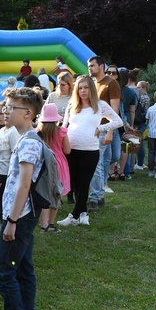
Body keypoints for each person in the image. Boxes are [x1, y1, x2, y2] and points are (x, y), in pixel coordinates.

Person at [0, 86, 42, 310]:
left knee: (2, 270)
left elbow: (24, 185)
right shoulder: (24, 138)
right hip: (21, 214)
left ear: (28, 113)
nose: (6, 111)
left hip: (20, 216)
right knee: (22, 268)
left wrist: (11, 221)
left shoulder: (30, 142)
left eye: (12, 107)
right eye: (6, 106)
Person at [58, 75, 122, 226]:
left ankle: (73, 216)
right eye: (80, 88)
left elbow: (117, 121)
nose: (83, 91)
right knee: (75, 183)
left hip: (90, 150)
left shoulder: (100, 105)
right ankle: (83, 214)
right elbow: (64, 126)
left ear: (91, 89)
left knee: (84, 182)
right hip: (71, 149)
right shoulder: (72, 105)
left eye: (86, 87)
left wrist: (101, 128)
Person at [87, 59, 121, 211]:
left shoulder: (111, 83)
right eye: (88, 66)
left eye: (92, 65)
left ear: (101, 66)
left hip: (102, 129)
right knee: (99, 162)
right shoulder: (92, 83)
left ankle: (95, 197)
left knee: (95, 162)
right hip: (92, 129)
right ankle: (99, 195)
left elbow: (115, 111)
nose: (90, 68)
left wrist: (110, 132)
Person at [0, 99, 20, 245]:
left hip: (6, 173)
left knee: (2, 201)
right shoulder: (1, 130)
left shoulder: (13, 132)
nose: (3, 116)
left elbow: (15, 154)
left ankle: (5, 223)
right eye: (0, 113)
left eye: (6, 113)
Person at [37, 104, 70, 233]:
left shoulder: (38, 132)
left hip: (44, 162)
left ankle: (43, 224)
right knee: (56, 193)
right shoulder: (62, 131)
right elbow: (67, 150)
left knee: (45, 193)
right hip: (59, 164)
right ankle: (51, 223)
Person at [133, 80, 151, 170]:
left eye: (138, 87)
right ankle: (139, 162)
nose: (137, 88)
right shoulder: (146, 97)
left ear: (144, 88)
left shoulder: (143, 97)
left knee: (139, 143)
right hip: (143, 122)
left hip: (140, 122)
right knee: (140, 141)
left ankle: (140, 163)